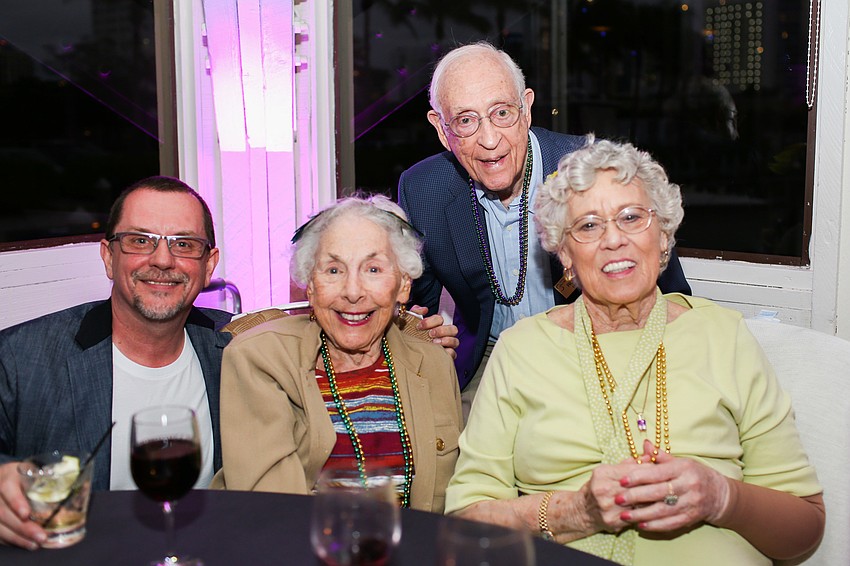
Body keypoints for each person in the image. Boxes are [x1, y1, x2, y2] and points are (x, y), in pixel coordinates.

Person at [444, 140, 824, 565]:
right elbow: (466, 523)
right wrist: (576, 512)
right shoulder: (521, 350)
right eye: (588, 226)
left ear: (663, 235)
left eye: (631, 217)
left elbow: (803, 530)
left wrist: (722, 498)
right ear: (564, 253)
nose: (613, 239)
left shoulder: (723, 335)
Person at [398, 42, 691, 416]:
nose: (489, 141)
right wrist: (420, 329)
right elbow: (416, 307)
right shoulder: (424, 189)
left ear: (527, 107)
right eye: (466, 120)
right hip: (488, 361)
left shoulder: (595, 171)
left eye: (502, 113)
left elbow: (673, 293)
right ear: (442, 129)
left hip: (593, 350)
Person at [0, 176, 232, 549]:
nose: (162, 260)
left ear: (208, 266)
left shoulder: (236, 350)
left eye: (184, 244)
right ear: (109, 256)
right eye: (140, 240)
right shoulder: (21, 357)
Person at [213, 195, 462, 513]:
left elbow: (453, 503)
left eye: (373, 269)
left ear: (402, 286)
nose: (353, 291)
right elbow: (272, 514)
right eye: (333, 270)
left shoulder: (433, 364)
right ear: (311, 286)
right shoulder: (260, 360)